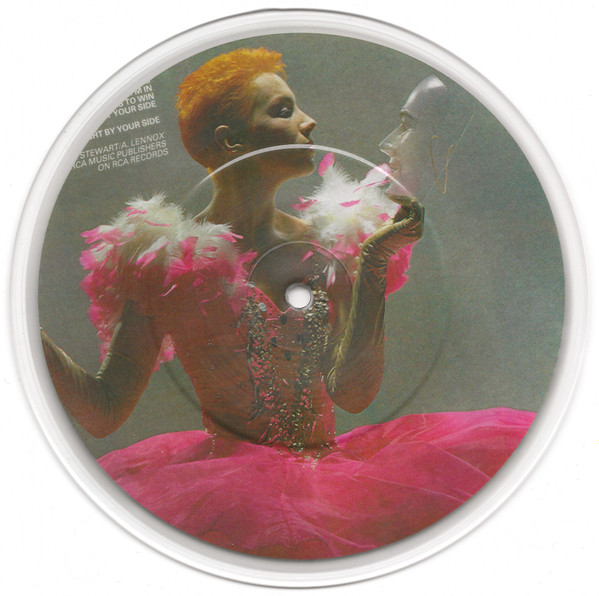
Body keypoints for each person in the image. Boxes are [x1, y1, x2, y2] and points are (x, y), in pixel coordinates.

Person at [41, 48, 534, 559]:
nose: (308, 120)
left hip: (336, 486)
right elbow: (104, 410)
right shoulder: (162, 259)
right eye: (282, 110)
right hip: (226, 496)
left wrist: (374, 259)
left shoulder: (332, 240)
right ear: (230, 141)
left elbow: (353, 394)